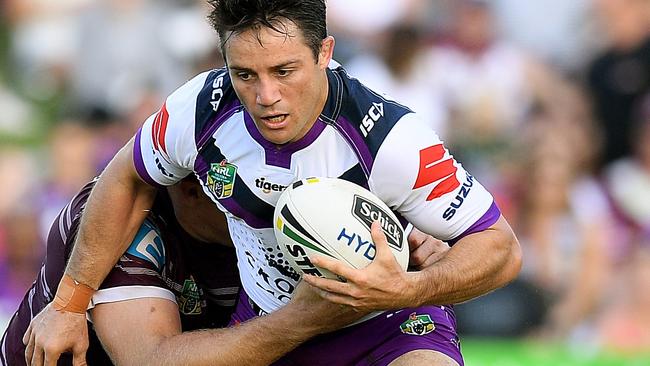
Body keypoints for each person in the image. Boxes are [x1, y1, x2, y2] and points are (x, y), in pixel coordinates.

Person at [25, 1, 522, 365]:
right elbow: (127, 177)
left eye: (284, 71)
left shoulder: (391, 140)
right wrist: (68, 303)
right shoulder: (200, 108)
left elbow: (500, 247)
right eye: (245, 74)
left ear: (325, 52)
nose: (265, 96)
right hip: (269, 328)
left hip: (387, 327)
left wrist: (407, 288)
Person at [3, 176, 373, 365]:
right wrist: (301, 320)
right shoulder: (120, 221)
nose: (267, 208)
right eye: (245, 194)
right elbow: (148, 360)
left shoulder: (276, 221)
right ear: (189, 188)